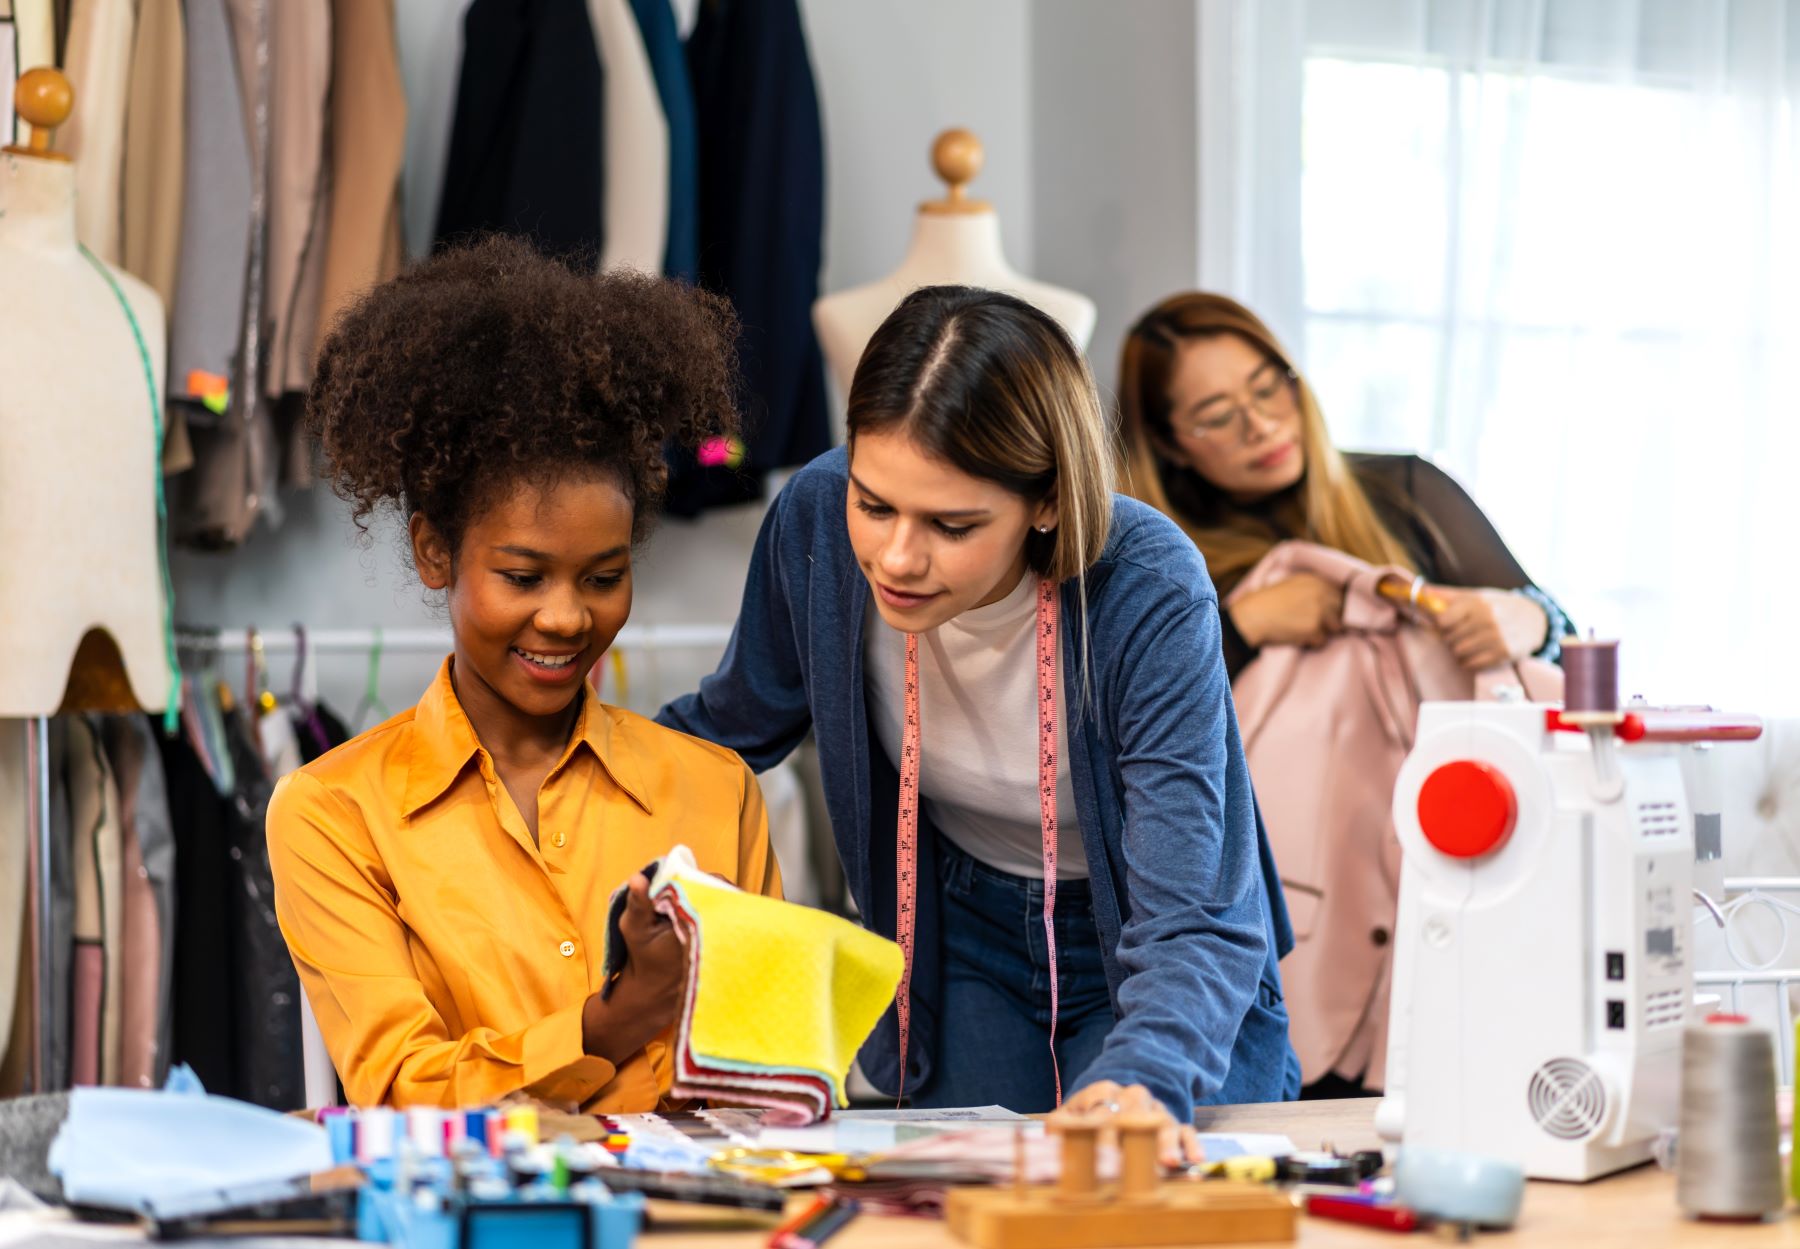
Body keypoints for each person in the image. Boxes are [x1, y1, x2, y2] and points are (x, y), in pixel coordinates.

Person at [659, 286, 1300, 1162]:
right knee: (964, 1207)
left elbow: (1190, 910)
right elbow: (728, 727)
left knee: (1134, 1187)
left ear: (1046, 502)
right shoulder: (814, 517)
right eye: (875, 504)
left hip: (1149, 942)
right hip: (965, 933)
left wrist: (1146, 1075)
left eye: (952, 525)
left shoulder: (1147, 586)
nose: (896, 557)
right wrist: (564, 757)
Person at [265, 237, 781, 1111]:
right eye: (522, 576)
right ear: (435, 551)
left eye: (604, 576)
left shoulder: (716, 789)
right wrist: (615, 1023)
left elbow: (774, 1081)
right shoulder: (334, 814)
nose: (567, 616)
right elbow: (400, 1090)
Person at [1116, 292, 1569, 685]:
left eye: (1268, 387)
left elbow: (1572, 652)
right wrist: (1241, 627)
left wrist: (1531, 621)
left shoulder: (1407, 489)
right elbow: (1123, 719)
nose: (1262, 425)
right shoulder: (1156, 559)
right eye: (1217, 416)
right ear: (1166, 444)